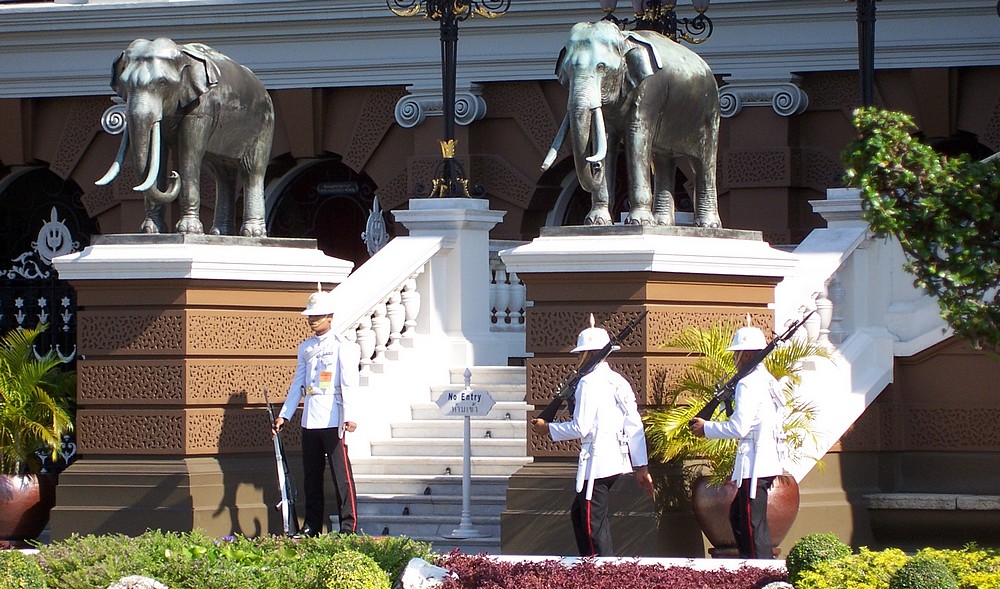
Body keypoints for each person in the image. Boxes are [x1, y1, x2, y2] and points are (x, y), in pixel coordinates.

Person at [530, 316, 654, 557]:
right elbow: (633, 424)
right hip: (615, 460)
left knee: (590, 525)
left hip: (596, 462)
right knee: (582, 515)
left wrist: (549, 429)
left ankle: (598, 573)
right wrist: (641, 466)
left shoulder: (588, 382)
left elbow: (581, 427)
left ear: (588, 354)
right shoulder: (618, 380)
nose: (578, 359)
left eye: (581, 354)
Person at [688, 326, 784, 559]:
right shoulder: (767, 380)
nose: (734, 358)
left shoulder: (747, 383)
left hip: (755, 463)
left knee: (751, 524)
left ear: (748, 355)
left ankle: (758, 572)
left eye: (737, 353)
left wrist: (706, 428)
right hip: (765, 459)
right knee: (740, 516)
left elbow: (739, 426)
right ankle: (750, 567)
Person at [273, 290, 361, 536]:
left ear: (330, 317)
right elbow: (297, 383)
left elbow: (349, 383)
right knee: (311, 476)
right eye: (311, 316)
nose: (313, 320)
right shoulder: (306, 348)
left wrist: (350, 416)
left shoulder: (343, 346)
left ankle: (348, 526)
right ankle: (311, 525)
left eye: (318, 316)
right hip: (311, 415)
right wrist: (285, 414)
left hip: (334, 415)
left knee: (340, 476)